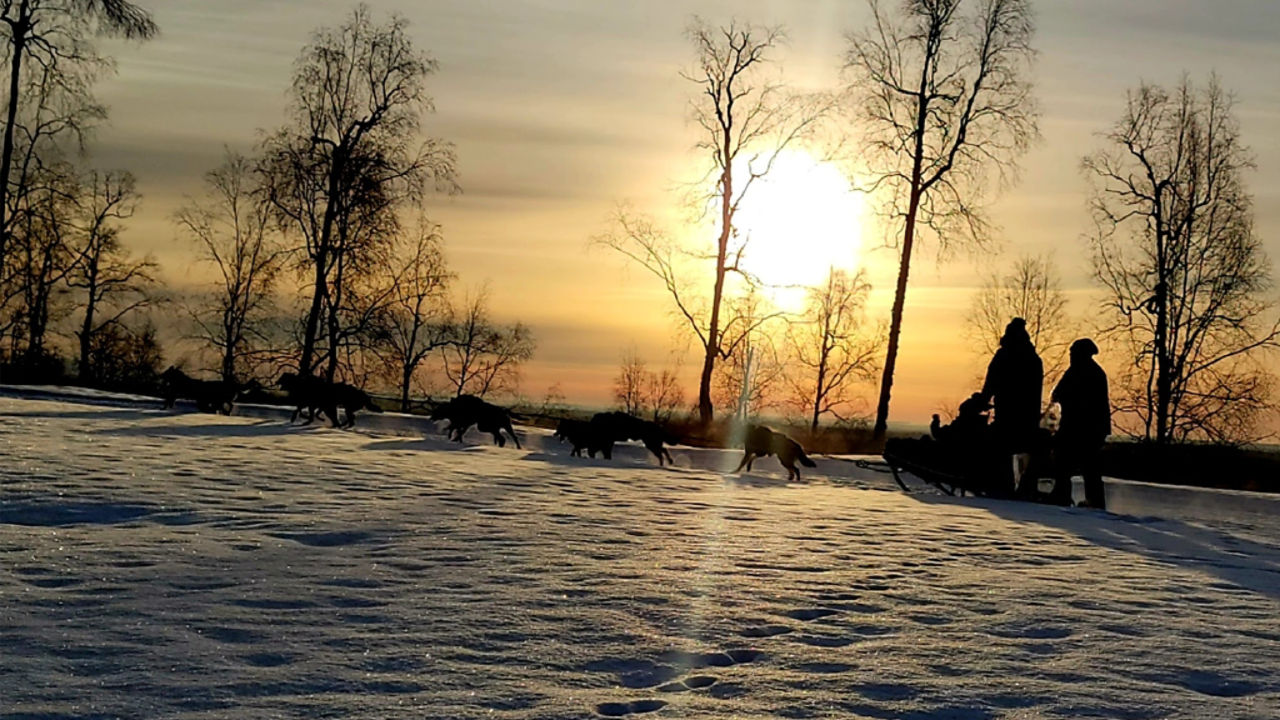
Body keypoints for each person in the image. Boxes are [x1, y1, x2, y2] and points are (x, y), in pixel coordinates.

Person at [980, 318, 1044, 497]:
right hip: (1028, 417)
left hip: (1008, 414)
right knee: (1022, 450)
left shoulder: (1004, 355)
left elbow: (991, 381)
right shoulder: (1034, 359)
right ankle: (1024, 488)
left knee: (999, 448)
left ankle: (1002, 487)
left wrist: (982, 400)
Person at [1050, 338, 1111, 508]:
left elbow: (1060, 393)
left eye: (1073, 352)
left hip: (1083, 428)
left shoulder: (1084, 371)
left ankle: (1068, 497)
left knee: (1076, 465)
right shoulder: (1088, 371)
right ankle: (1088, 499)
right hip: (1086, 427)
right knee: (1083, 466)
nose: (1070, 355)